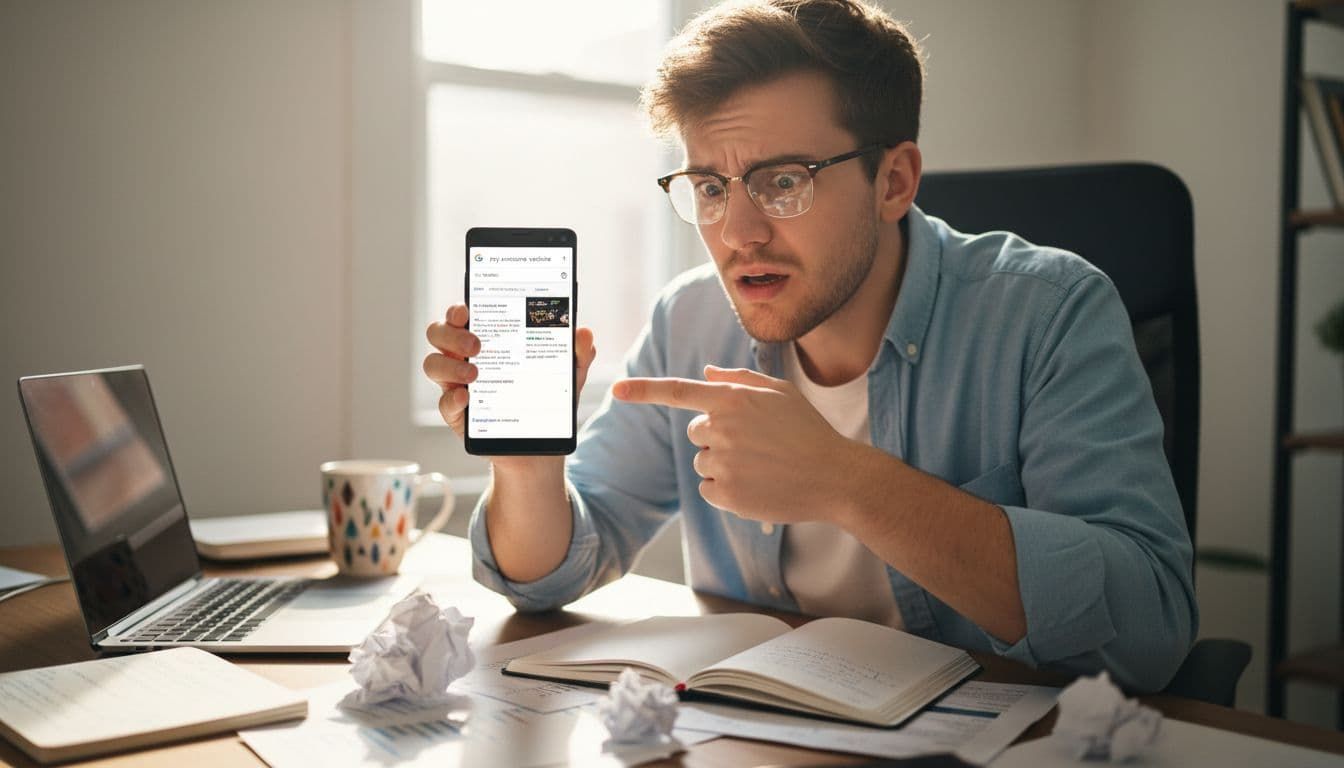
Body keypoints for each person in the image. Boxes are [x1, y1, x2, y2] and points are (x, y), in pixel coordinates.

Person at [424, 0, 1197, 692]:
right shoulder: (691, 320)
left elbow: (1151, 633)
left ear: (894, 181)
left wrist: (845, 483)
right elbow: (548, 576)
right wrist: (528, 467)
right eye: (712, 188)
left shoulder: (1052, 311)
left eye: (782, 181)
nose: (738, 234)